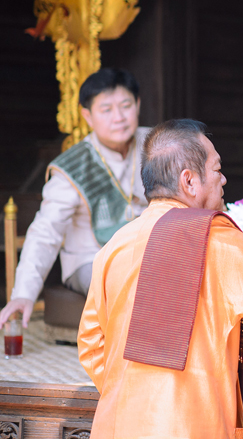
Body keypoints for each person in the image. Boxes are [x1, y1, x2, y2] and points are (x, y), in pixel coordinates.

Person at [77, 119, 243, 439]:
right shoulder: (214, 242)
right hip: (190, 427)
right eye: (217, 169)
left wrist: (135, 393)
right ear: (189, 181)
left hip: (118, 424)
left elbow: (90, 344)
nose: (223, 179)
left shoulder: (116, 246)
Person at [1, 68, 149, 328]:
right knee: (123, 279)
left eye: (126, 105)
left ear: (137, 104)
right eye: (106, 110)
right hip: (92, 260)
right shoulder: (72, 167)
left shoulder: (156, 144)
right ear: (87, 116)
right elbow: (46, 231)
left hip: (150, 254)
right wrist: (23, 293)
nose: (119, 118)